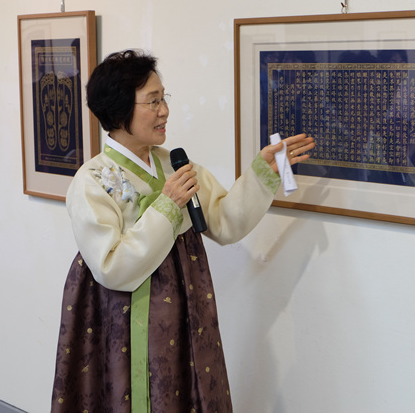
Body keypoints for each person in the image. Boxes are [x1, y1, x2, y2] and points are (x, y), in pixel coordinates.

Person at [50, 49, 315, 413]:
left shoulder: (174, 165)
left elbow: (223, 221)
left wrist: (261, 174)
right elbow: (111, 268)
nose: (164, 111)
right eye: (153, 101)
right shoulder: (92, 180)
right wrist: (168, 206)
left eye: (164, 99)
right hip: (122, 315)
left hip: (186, 304)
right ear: (118, 110)